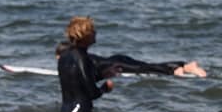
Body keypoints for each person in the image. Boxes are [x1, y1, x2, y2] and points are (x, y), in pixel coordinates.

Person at [54, 41, 207, 79]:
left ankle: (176, 69)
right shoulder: (81, 57)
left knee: (143, 69)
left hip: (117, 63)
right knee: (146, 65)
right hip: (117, 58)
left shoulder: (78, 60)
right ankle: (185, 66)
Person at [57, 17, 114, 112]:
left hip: (65, 111)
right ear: (84, 35)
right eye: (92, 30)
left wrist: (101, 75)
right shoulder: (83, 57)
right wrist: (106, 87)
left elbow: (76, 82)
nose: (95, 32)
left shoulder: (64, 56)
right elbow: (92, 93)